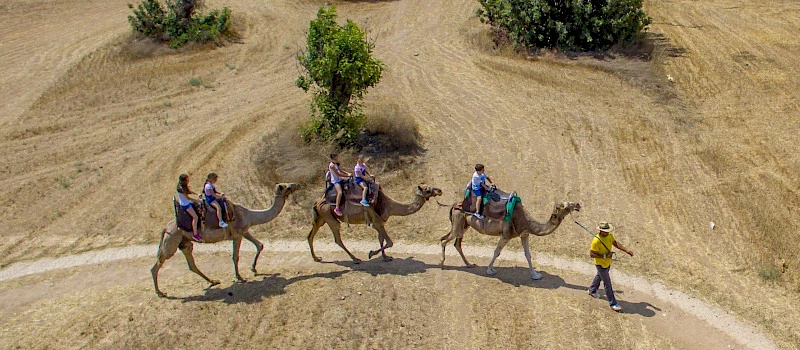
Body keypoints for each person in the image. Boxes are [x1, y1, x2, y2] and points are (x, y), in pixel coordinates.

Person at [588, 221, 634, 312]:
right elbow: (592, 254)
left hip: (607, 263)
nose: (608, 232)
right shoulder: (596, 240)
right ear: (601, 231)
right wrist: (605, 256)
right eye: (606, 231)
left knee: (599, 276)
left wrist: (626, 250)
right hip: (600, 264)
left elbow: (615, 243)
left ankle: (592, 290)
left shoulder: (609, 236)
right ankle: (613, 304)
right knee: (607, 284)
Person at [176, 174, 203, 242]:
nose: (188, 181)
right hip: (185, 204)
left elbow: (189, 191)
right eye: (187, 180)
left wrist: (197, 194)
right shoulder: (180, 188)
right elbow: (187, 197)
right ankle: (195, 234)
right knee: (195, 217)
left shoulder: (183, 186)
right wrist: (197, 200)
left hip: (187, 202)